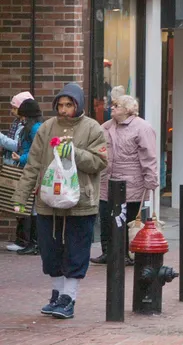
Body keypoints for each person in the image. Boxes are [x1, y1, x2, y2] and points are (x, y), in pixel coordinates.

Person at [13, 83, 109, 320]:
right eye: (61, 105)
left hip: (80, 202)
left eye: (69, 105)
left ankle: (69, 298)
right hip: (49, 199)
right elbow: (33, 165)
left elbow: (99, 162)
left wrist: (74, 152)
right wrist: (20, 197)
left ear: (78, 105)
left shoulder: (92, 128)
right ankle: (57, 294)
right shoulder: (46, 128)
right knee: (50, 250)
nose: (64, 110)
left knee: (76, 250)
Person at [92, 95, 158, 265]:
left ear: (128, 109)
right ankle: (108, 252)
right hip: (108, 180)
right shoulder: (105, 127)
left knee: (127, 219)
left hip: (132, 183)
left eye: (117, 105)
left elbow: (149, 156)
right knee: (106, 216)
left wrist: (151, 179)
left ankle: (127, 253)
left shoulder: (142, 128)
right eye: (112, 105)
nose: (111, 108)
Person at [9, 98, 43, 255]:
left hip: (33, 171)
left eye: (22, 116)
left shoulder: (35, 129)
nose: (20, 119)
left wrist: (21, 158)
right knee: (31, 208)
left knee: (33, 208)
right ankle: (33, 243)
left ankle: (34, 244)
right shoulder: (32, 128)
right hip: (29, 169)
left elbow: (37, 153)